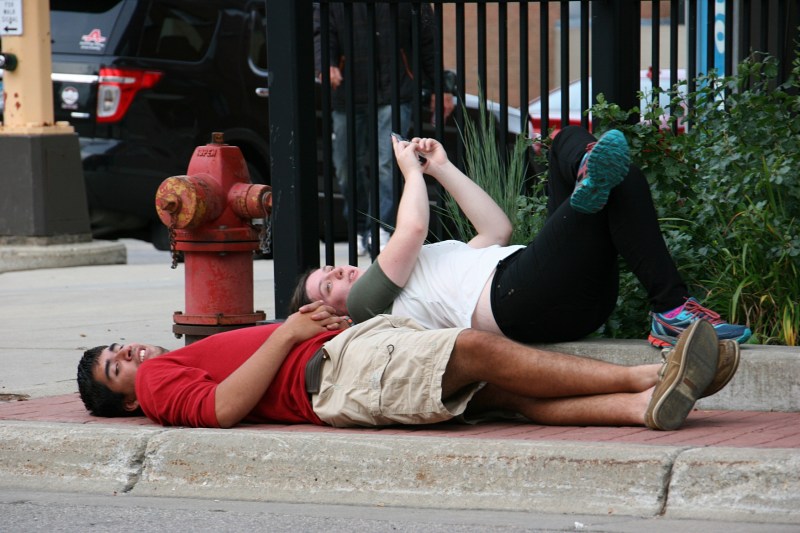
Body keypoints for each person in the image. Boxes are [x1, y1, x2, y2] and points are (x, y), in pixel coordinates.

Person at [290, 126, 752, 348]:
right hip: (517, 298)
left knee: (608, 169)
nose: (339, 272)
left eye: (330, 269)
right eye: (328, 285)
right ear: (330, 312)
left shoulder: (422, 276)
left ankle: (670, 309)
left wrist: (443, 168)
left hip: (553, 292)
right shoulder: (366, 308)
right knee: (603, 177)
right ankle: (669, 307)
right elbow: (411, 227)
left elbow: (496, 230)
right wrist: (410, 171)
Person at [77, 301, 738, 432]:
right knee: (474, 352)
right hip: (334, 375)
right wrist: (287, 337)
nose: (129, 354)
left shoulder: (170, 362)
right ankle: (650, 377)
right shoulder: (161, 386)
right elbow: (221, 411)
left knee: (505, 390)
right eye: (116, 368)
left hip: (343, 363)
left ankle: (639, 408)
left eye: (120, 346)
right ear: (129, 401)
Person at [314, 2, 453, 254]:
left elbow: (427, 41)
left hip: (396, 91)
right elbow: (321, 31)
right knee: (345, 165)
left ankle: (381, 228)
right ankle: (359, 228)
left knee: (388, 162)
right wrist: (327, 62)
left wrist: (440, 86)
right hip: (348, 92)